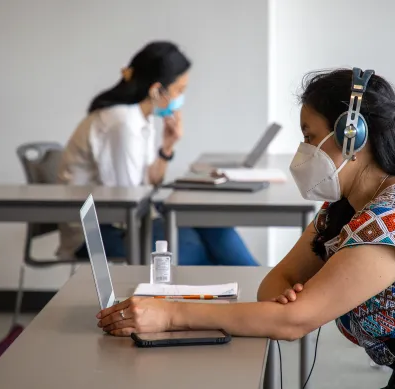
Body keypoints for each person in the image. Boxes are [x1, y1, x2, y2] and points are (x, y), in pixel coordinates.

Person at [94, 68, 395, 388]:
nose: (304, 149)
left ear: (353, 136)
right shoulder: (344, 209)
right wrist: (289, 302)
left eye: (311, 136)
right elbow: (277, 285)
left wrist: (169, 314)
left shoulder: (394, 222)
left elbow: (291, 322)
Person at [56, 41, 258, 266]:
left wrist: (167, 146)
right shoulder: (121, 124)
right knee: (194, 251)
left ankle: (263, 289)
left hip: (129, 217)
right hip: (97, 230)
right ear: (155, 90)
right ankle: (252, 293)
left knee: (214, 225)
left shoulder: (142, 118)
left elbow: (150, 183)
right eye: (179, 90)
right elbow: (129, 198)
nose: (181, 98)